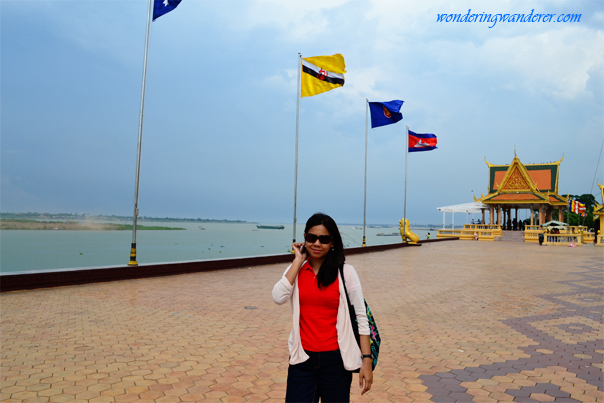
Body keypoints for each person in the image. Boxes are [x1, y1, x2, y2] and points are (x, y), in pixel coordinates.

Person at [272, 213, 373, 402]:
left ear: (332, 242)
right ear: (304, 239)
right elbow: (278, 297)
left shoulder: (346, 272)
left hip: (336, 361)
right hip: (302, 360)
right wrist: (297, 261)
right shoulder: (296, 270)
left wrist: (366, 359)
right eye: (311, 238)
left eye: (324, 239)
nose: (317, 243)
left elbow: (361, 317)